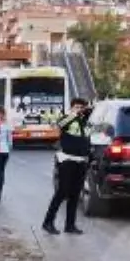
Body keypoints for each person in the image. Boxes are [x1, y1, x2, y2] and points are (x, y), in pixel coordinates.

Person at [42, 97, 93, 235]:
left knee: (75, 194)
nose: (80, 109)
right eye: (77, 107)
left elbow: (88, 138)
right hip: (66, 159)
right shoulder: (66, 119)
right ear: (71, 108)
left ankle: (70, 225)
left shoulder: (86, 122)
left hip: (81, 160)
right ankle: (48, 222)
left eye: (82, 107)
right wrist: (73, 115)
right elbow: (58, 125)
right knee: (62, 192)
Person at [0, 105, 12, 200]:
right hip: (5, 151)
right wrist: (8, 149)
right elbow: (10, 141)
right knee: (1, 172)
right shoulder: (7, 124)